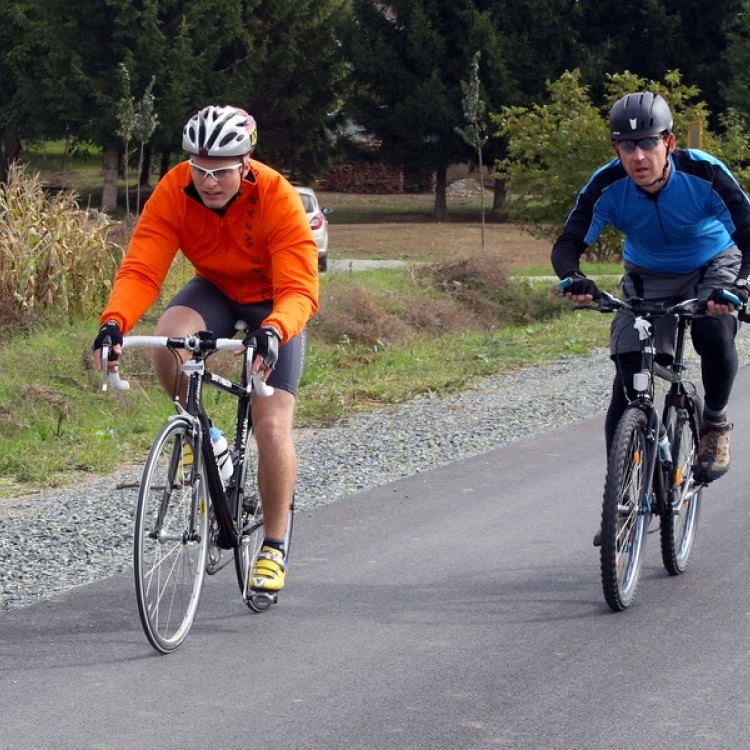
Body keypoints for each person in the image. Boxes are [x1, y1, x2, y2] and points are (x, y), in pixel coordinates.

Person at [93, 105, 319, 590]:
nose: (208, 181)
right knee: (169, 341)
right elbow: (142, 270)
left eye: (220, 171)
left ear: (246, 164)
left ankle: (274, 547)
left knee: (271, 422)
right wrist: (113, 323)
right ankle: (210, 441)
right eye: (199, 169)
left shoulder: (277, 196)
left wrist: (276, 330)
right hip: (215, 288)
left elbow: (301, 287)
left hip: (275, 303)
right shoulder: (175, 190)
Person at [552, 91, 750, 544]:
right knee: (629, 375)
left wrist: (738, 287)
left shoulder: (704, 172)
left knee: (712, 330)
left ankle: (715, 423)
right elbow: (568, 242)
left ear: (669, 142)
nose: (638, 156)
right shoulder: (606, 184)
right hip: (647, 275)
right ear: (616, 149)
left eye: (648, 144)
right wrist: (573, 276)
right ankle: (620, 498)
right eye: (626, 146)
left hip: (713, 264)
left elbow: (749, 232)